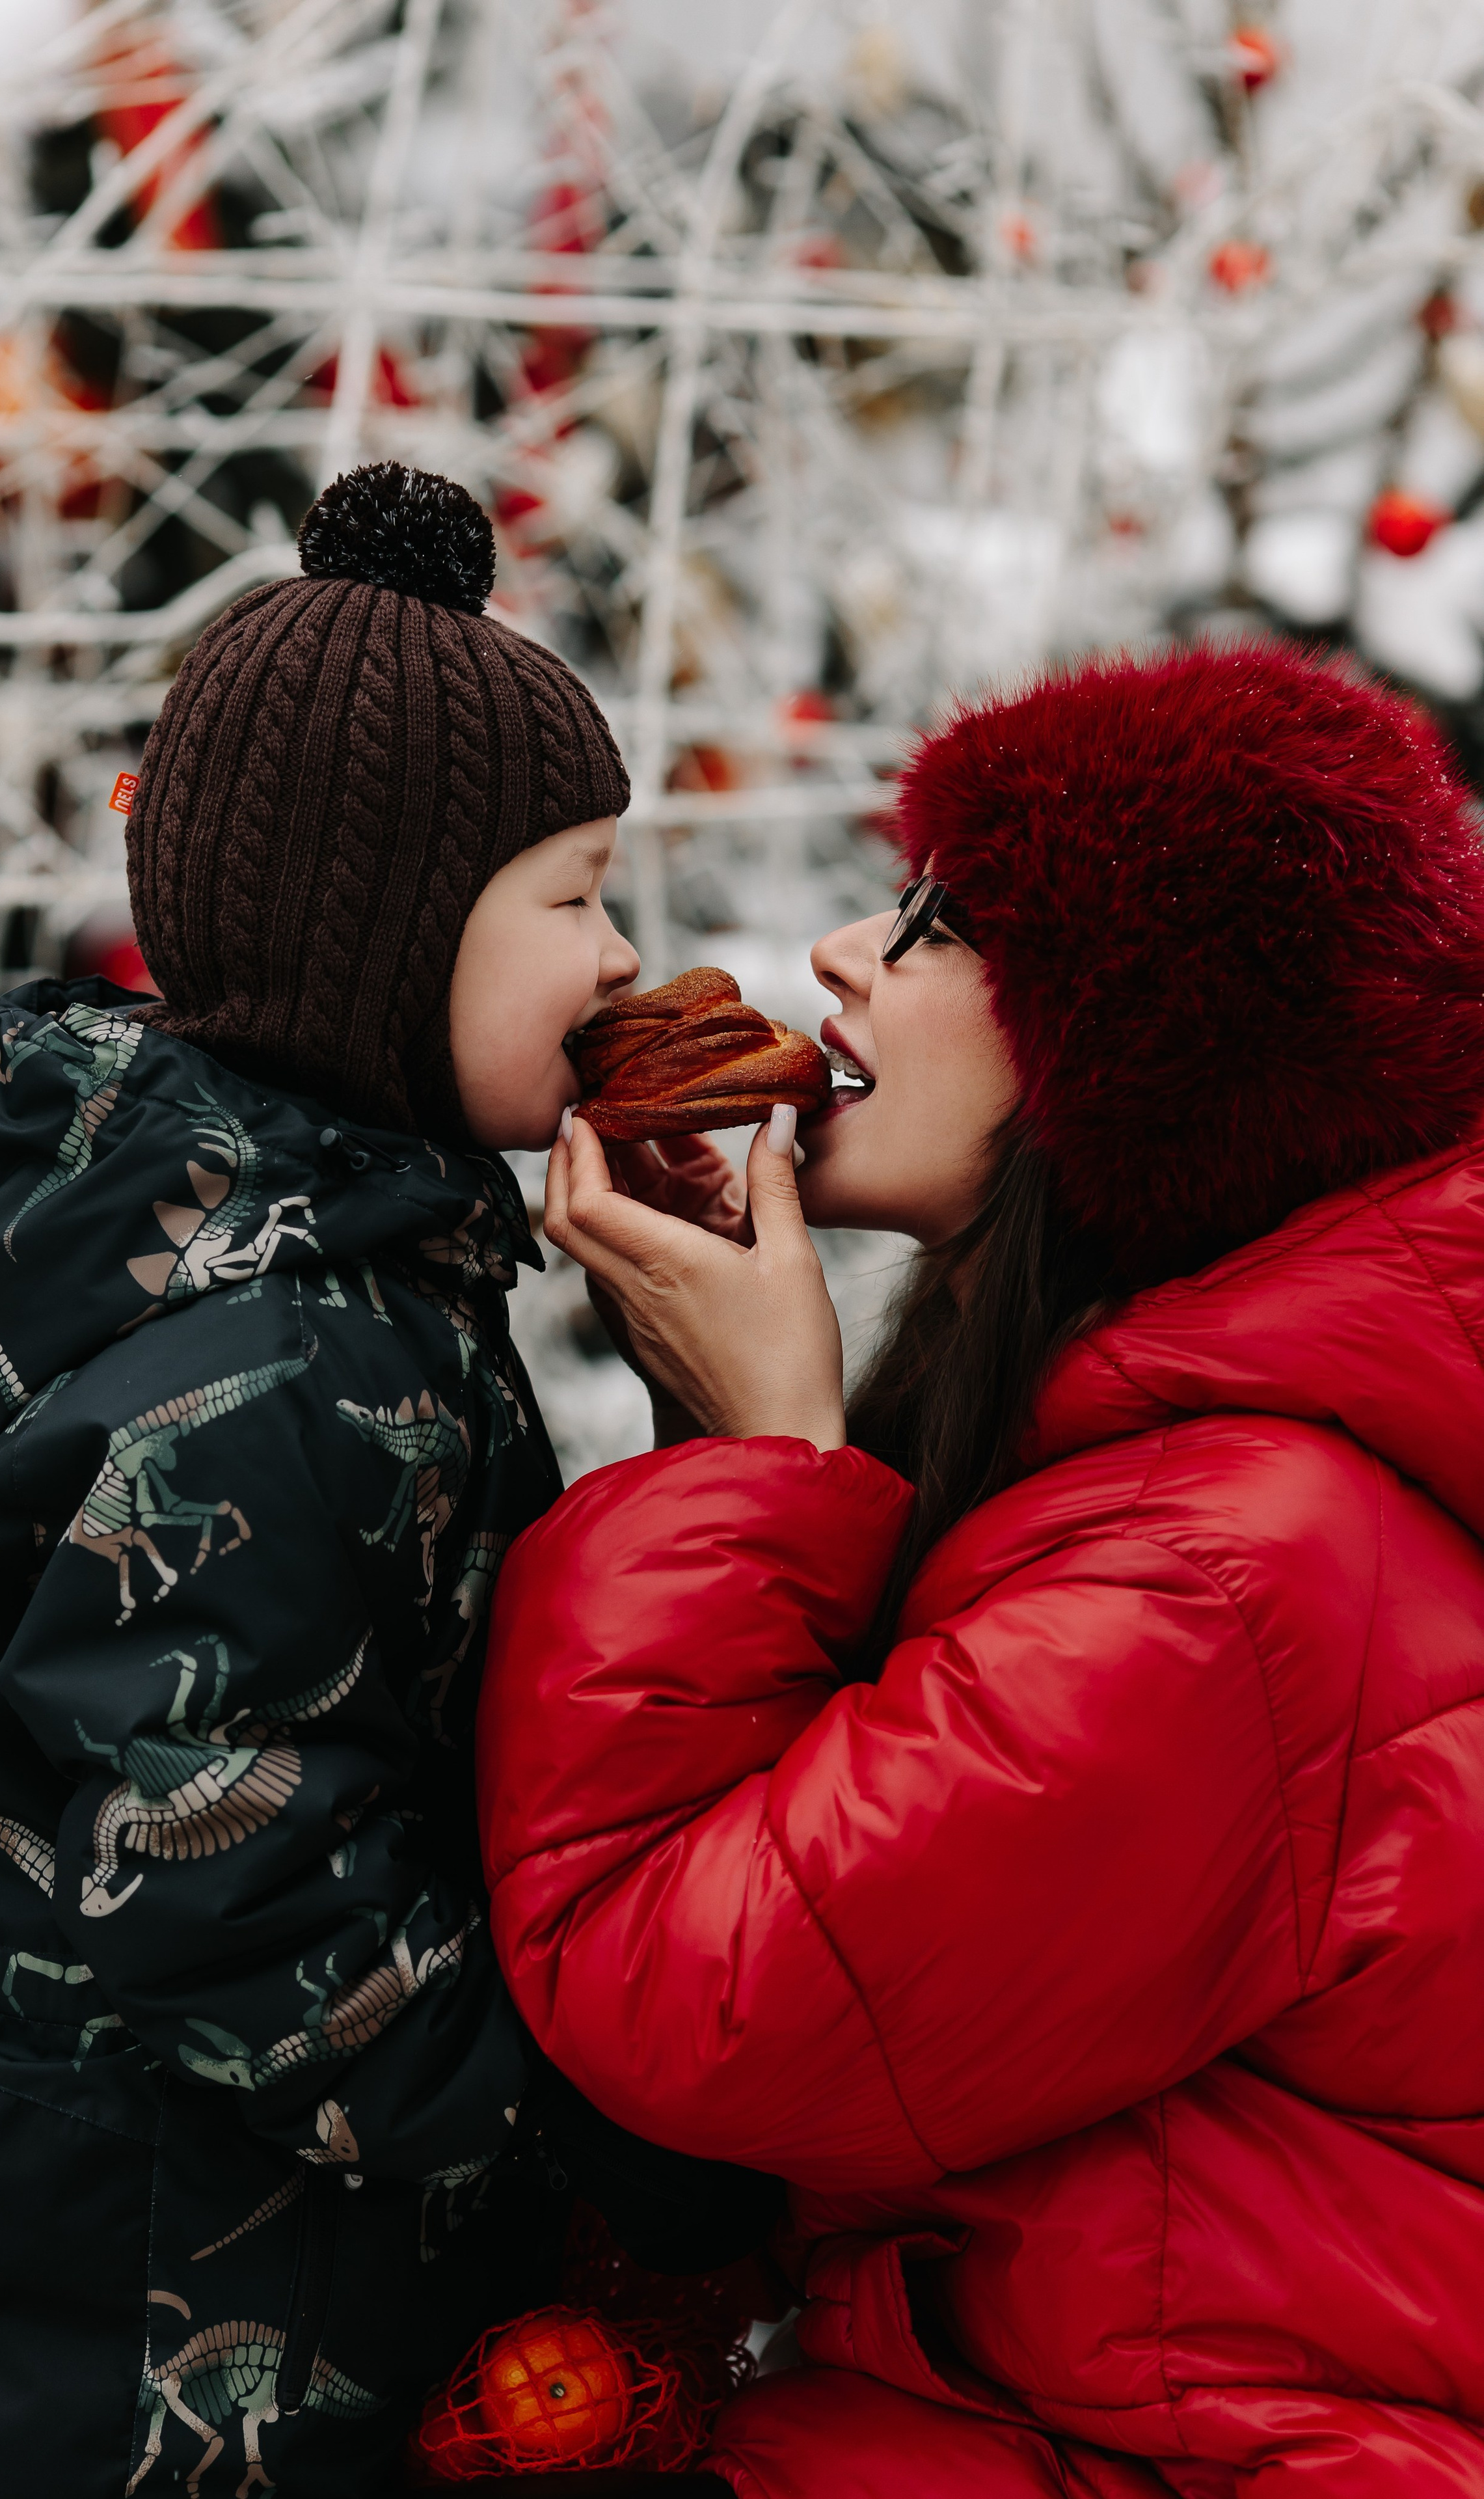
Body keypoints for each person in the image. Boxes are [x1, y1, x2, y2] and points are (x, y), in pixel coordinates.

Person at [0, 463, 771, 2499]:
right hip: (143, 2259)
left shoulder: (344, 1262)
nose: (620, 963)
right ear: (386, 938)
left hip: (191, 2189)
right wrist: (539, 2135)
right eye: (575, 894)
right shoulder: (277, 1358)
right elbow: (223, 1859)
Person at [478, 642, 1484, 2496]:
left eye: (944, 925)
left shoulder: (1230, 1577)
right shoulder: (1172, 1469)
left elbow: (687, 2006)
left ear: (1141, 1041)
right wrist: (734, 1441)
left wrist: (772, 1462)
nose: (847, 953)